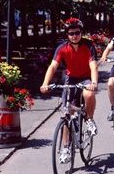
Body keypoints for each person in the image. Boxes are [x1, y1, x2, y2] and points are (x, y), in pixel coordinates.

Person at [40, 18, 98, 162]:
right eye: (71, 33)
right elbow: (53, 66)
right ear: (67, 34)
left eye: (77, 32)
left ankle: (90, 120)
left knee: (89, 93)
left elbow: (93, 66)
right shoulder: (62, 48)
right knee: (67, 115)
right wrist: (45, 83)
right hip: (71, 79)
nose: (74, 36)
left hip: (85, 78)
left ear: (81, 32)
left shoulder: (88, 45)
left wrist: (94, 82)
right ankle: (65, 148)